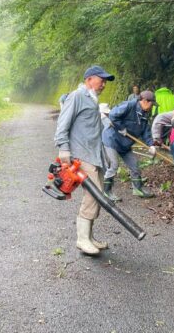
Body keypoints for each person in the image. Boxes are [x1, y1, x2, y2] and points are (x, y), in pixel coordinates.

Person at [54, 65, 115, 255]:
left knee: (97, 195)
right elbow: (63, 123)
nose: (104, 84)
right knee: (93, 194)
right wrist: (63, 148)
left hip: (94, 155)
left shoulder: (92, 99)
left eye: (105, 81)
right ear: (89, 79)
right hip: (81, 155)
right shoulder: (77, 96)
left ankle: (89, 236)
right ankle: (82, 239)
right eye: (101, 80)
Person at [102, 90, 157, 199]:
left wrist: (151, 145)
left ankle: (137, 189)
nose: (152, 107)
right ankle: (106, 191)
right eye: (152, 104)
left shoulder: (145, 114)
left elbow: (146, 131)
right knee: (114, 165)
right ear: (145, 101)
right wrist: (121, 128)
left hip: (125, 143)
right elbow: (113, 114)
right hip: (112, 139)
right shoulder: (130, 105)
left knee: (134, 164)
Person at [98, 103, 120, 202]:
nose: (108, 114)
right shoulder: (102, 118)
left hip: (101, 143)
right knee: (109, 164)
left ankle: (106, 189)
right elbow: (111, 126)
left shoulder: (103, 117)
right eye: (106, 113)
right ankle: (106, 191)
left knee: (106, 165)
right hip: (102, 144)